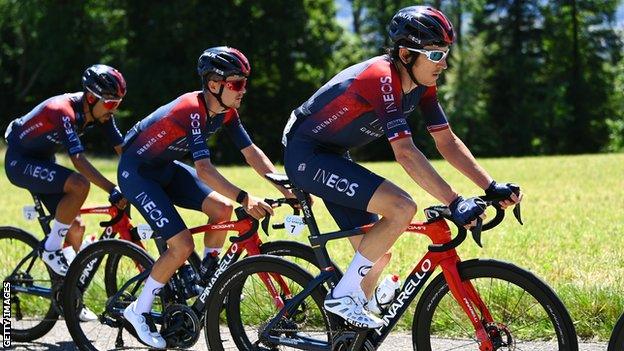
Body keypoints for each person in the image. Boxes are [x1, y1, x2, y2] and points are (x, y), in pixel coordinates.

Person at [282, 6, 523, 329]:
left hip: (334, 153)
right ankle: (343, 298)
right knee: (401, 206)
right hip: (306, 154)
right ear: (406, 54)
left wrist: (489, 186)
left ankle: (348, 333)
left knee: (375, 257)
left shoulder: (421, 84)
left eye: (446, 53)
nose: (445, 63)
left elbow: (446, 141)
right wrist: (454, 201)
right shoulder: (381, 78)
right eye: (436, 55)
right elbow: (405, 152)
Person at [118, 46, 293, 348]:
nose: (243, 90)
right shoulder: (191, 110)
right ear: (214, 84)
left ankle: (206, 274)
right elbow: (204, 169)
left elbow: (251, 152)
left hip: (164, 167)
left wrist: (284, 187)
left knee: (221, 209)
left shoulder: (226, 113)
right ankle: (139, 309)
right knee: (181, 245)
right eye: (237, 83)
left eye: (244, 83)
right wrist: (245, 198)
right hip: (138, 174)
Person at [4, 64, 128, 278]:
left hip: (43, 161)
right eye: (110, 103)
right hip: (20, 162)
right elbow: (78, 160)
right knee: (79, 184)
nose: (113, 109)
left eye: (118, 103)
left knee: (76, 227)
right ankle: (51, 248)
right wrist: (112, 189)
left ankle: (67, 296)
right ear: (91, 98)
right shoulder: (62, 110)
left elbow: (124, 151)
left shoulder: (102, 114)